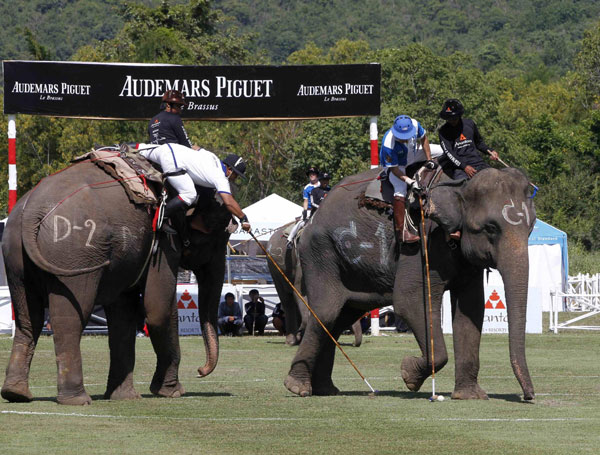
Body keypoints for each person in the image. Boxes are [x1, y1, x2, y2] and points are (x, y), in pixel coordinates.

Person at [138, 144, 251, 236]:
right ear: (230, 170)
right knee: (190, 194)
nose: (234, 178)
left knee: (134, 148)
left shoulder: (212, 156)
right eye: (236, 175)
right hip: (172, 162)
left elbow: (195, 147)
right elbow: (229, 202)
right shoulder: (220, 177)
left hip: (169, 148)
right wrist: (243, 218)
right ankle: (161, 218)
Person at [379, 115, 433, 244]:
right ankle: (401, 232)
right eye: (402, 137)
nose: (404, 139)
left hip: (413, 154)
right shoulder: (388, 143)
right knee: (400, 189)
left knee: (442, 151)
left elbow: (424, 138)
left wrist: (429, 159)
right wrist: (410, 181)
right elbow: (394, 169)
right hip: (398, 166)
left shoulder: (415, 124)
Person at [437, 98, 499, 180]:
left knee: (496, 179)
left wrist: (490, 151)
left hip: (478, 162)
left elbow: (479, 143)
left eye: (454, 118)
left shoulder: (470, 124)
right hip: (459, 168)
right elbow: (449, 153)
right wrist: (464, 167)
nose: (452, 121)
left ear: (459, 115)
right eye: (449, 118)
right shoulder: (443, 131)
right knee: (463, 187)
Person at [287, 166, 320, 245]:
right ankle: (290, 239)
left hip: (321, 209)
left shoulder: (322, 185)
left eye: (313, 174)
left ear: (317, 175)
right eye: (310, 174)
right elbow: (305, 200)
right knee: (301, 223)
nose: (311, 175)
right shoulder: (307, 188)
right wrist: (305, 211)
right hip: (309, 209)